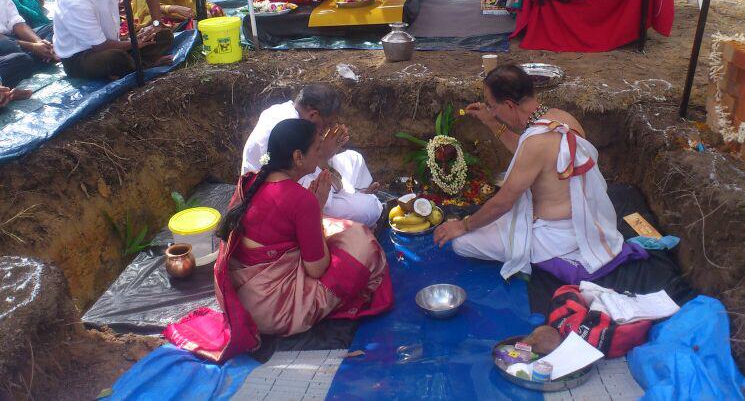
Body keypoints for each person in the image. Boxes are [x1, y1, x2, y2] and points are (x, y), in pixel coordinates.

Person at [164, 119, 392, 360]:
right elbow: (317, 269)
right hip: (275, 308)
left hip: (239, 299)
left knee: (336, 228)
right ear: (297, 157)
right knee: (361, 241)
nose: (320, 155)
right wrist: (316, 208)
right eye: (317, 149)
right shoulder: (300, 199)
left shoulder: (252, 181)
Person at [434, 64, 645, 283]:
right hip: (585, 221)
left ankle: (548, 258)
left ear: (508, 104)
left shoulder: (536, 142)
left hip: (556, 235)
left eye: (492, 106)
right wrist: (490, 120)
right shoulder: (562, 118)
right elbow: (533, 156)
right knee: (491, 222)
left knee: (462, 243)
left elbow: (504, 202)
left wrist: (463, 226)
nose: (492, 110)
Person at [242, 85, 383, 227]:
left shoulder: (284, 110)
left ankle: (355, 197)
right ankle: (357, 199)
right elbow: (310, 189)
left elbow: (312, 166)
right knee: (370, 207)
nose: (326, 129)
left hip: (307, 174)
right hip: (285, 194)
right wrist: (323, 156)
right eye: (326, 124)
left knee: (354, 158)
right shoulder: (291, 131)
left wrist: (325, 156)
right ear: (313, 115)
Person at [0, 0, 56, 87]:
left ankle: (45, 53)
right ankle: (41, 57)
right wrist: (32, 47)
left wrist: (40, 43)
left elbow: (15, 21)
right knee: (17, 56)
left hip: (12, 39)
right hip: (5, 44)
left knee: (57, 28)